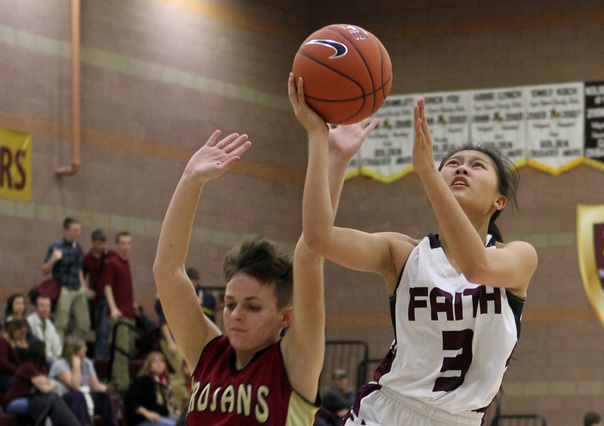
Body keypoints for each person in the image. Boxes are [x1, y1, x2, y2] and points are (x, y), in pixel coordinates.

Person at [290, 74, 538, 426]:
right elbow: (318, 237)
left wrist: (429, 174)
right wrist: (326, 147)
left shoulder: (518, 257)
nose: (462, 167)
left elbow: (476, 268)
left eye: (476, 165)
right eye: (452, 163)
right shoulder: (403, 254)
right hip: (385, 411)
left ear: (499, 201)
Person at [153, 126, 355, 424]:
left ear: (285, 317)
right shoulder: (208, 353)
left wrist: (330, 154)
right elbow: (167, 271)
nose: (235, 314)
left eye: (253, 306)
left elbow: (311, 252)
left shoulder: (293, 364)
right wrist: (190, 180)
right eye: (231, 303)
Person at [3, 340, 82, 426]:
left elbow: (46, 385)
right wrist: (54, 384)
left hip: (31, 399)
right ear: (40, 351)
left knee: (52, 400)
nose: (47, 353)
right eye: (46, 350)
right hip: (14, 402)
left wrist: (49, 384)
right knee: (52, 399)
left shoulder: (42, 368)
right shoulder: (28, 367)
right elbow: (44, 389)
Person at [49, 334, 118, 426]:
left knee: (104, 398)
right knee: (78, 395)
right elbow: (75, 386)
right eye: (82, 347)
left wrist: (106, 388)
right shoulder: (59, 364)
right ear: (74, 349)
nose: (86, 349)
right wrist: (76, 367)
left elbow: (96, 386)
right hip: (62, 400)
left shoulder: (87, 362)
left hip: (83, 396)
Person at [42, 217, 91, 341]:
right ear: (66, 230)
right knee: (61, 324)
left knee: (84, 325)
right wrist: (53, 259)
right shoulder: (57, 246)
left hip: (78, 288)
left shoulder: (78, 248)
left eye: (79, 231)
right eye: (75, 231)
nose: (78, 234)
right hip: (65, 288)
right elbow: (44, 270)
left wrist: (84, 287)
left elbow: (79, 269)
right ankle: (58, 352)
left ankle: (71, 348)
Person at [103, 231, 136, 392]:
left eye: (128, 243)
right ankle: (121, 385)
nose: (125, 247)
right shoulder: (112, 262)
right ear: (117, 244)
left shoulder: (125, 263)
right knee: (121, 351)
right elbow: (107, 287)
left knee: (128, 349)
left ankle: (120, 381)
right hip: (120, 315)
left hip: (129, 313)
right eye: (122, 243)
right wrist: (113, 308)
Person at [124, 351, 179, 426]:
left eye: (162, 361)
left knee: (185, 421)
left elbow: (167, 407)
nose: (159, 364)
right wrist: (147, 413)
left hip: (163, 417)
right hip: (144, 420)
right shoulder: (144, 380)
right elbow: (128, 399)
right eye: (155, 362)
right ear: (149, 365)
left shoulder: (164, 383)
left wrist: (177, 411)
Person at [82, 229, 111, 361]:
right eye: (98, 243)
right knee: (96, 328)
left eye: (102, 243)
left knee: (103, 330)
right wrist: (86, 289)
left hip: (106, 298)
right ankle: (98, 358)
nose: (101, 246)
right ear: (93, 242)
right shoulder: (87, 258)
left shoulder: (108, 256)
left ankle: (101, 359)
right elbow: (80, 273)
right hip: (94, 299)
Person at [27, 295, 62, 361]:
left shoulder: (50, 324)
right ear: (36, 308)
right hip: (37, 358)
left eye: (47, 306)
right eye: (42, 306)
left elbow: (56, 344)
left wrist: (57, 357)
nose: (45, 309)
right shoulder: (30, 321)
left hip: (51, 357)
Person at [0, 319, 29, 391]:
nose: (23, 336)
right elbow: (2, 362)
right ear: (15, 330)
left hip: (13, 374)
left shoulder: (18, 342)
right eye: (22, 333)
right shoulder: (3, 342)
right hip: (5, 377)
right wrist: (17, 370)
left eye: (25, 333)